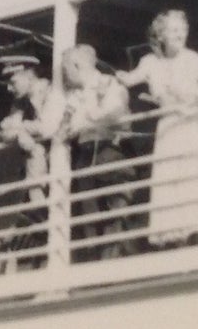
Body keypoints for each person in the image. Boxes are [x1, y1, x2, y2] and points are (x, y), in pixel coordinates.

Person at [117, 10, 198, 246]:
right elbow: (130, 79)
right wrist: (116, 76)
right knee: (170, 183)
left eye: (182, 30)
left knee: (192, 182)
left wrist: (189, 95)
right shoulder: (150, 62)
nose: (180, 34)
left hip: (191, 125)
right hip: (169, 127)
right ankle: (178, 244)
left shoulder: (195, 60)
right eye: (173, 30)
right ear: (160, 35)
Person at [54, 45, 137, 259]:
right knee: (90, 217)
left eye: (66, 68)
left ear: (77, 65)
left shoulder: (109, 84)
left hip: (109, 151)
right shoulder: (74, 96)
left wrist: (86, 121)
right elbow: (64, 128)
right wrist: (73, 125)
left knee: (116, 213)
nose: (65, 74)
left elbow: (115, 113)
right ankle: (95, 269)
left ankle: (113, 266)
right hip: (85, 156)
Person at [0, 52, 65, 264]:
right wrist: (21, 133)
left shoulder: (52, 92)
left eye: (13, 81)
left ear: (28, 75)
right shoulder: (21, 103)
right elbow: (4, 131)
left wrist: (22, 129)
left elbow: (47, 128)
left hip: (58, 163)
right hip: (37, 169)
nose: (10, 87)